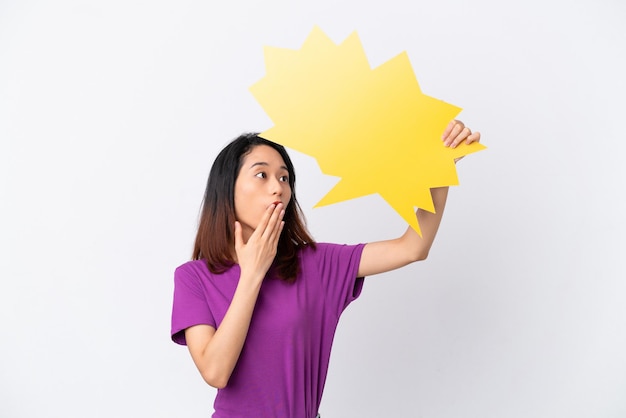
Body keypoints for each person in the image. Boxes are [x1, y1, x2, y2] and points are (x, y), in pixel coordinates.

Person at [171, 120, 481, 418]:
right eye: (261, 175)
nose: (277, 188)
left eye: (284, 177)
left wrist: (442, 170)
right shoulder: (193, 278)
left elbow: (412, 248)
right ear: (227, 190)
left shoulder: (316, 265)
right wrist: (252, 273)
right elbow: (215, 372)